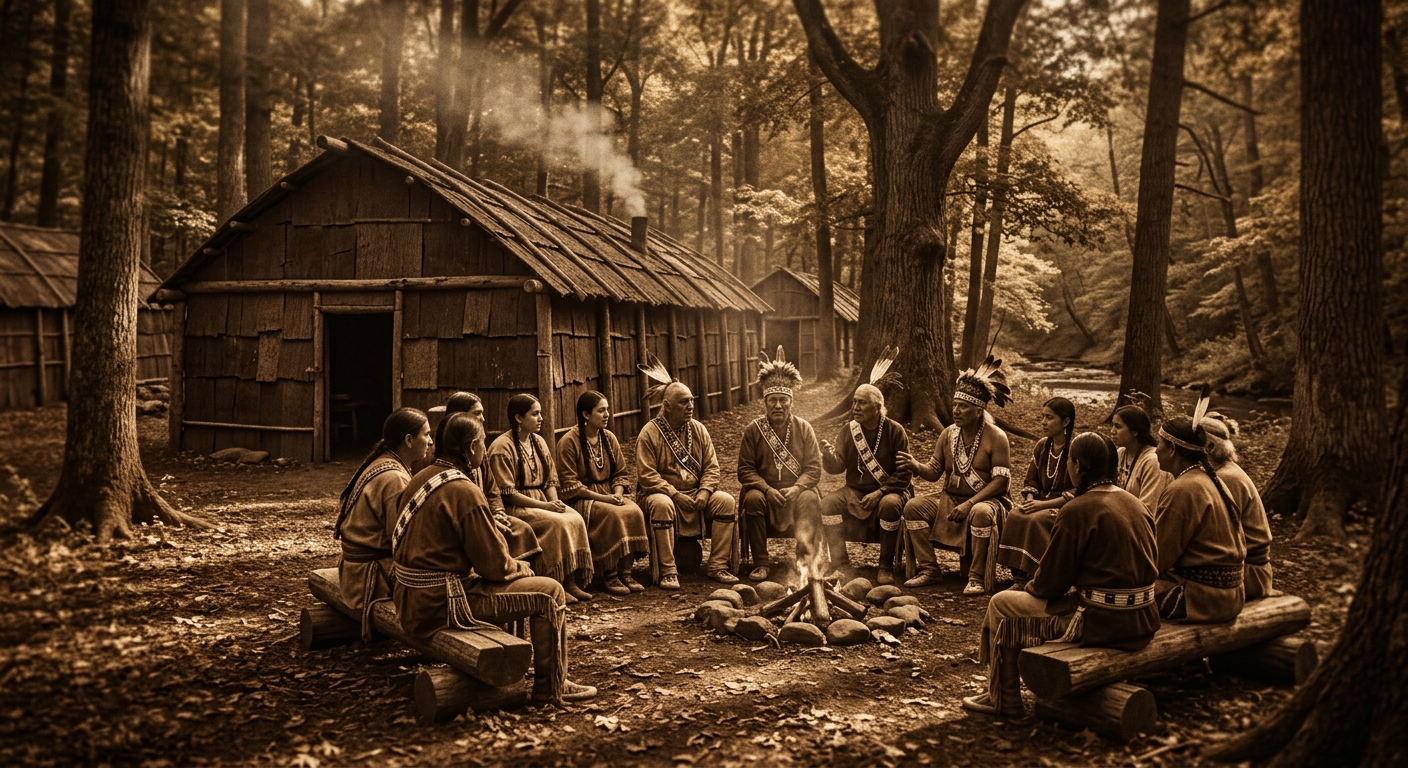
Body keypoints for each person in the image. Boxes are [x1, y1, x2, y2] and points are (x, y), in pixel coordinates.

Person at [391, 413, 596, 705]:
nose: (485, 449)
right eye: (483, 443)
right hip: (441, 604)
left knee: (518, 579)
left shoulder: (421, 477)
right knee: (550, 592)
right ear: (471, 447)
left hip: (409, 598)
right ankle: (551, 686)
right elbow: (495, 567)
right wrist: (521, 567)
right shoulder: (465, 491)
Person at [962, 432, 1160, 717]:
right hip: (1144, 618)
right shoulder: (1135, 503)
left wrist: (1030, 586)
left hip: (1102, 622)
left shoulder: (1077, 509)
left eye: (1069, 461)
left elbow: (1050, 585)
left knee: (1001, 604)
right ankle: (1004, 695)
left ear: (1078, 466)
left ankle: (1004, 698)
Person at [900, 356, 1013, 594]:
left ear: (979, 411)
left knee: (980, 512)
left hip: (987, 503)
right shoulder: (948, 434)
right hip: (949, 501)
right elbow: (933, 472)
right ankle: (929, 569)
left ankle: (976, 577)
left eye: (963, 406)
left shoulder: (996, 437)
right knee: (913, 507)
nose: (956, 411)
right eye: (954, 405)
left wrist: (970, 504)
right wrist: (916, 466)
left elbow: (1001, 483)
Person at [636, 352, 740, 588]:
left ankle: (718, 566)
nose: (690, 406)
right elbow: (647, 476)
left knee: (725, 501)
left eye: (691, 400)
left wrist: (705, 491)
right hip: (662, 496)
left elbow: (712, 466)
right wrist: (674, 493)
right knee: (662, 504)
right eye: (684, 402)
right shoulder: (649, 433)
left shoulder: (699, 429)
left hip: (695, 495)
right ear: (667, 406)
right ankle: (668, 571)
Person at [334, 408, 432, 639]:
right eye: (427, 434)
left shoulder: (383, 462)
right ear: (408, 440)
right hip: (369, 578)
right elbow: (401, 539)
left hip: (354, 571)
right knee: (444, 586)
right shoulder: (395, 478)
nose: (430, 441)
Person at [487, 394, 595, 603]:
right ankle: (555, 580)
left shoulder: (539, 442)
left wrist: (555, 503)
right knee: (557, 524)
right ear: (519, 418)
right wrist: (546, 506)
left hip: (542, 500)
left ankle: (571, 580)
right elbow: (508, 493)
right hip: (517, 506)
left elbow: (550, 480)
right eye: (535, 414)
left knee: (574, 517)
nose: (541, 418)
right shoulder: (502, 447)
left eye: (540, 413)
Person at [817, 349, 913, 580]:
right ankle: (840, 563)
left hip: (891, 491)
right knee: (828, 503)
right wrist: (828, 457)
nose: (855, 408)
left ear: (877, 408)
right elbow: (837, 468)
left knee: (890, 505)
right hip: (854, 492)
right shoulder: (848, 430)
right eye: (854, 402)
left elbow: (904, 474)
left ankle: (885, 566)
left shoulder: (895, 431)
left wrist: (880, 492)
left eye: (862, 403)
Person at [1153, 401, 1246, 623]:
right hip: (1230, 597)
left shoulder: (1183, 489)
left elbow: (1157, 559)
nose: (1155, 449)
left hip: (1200, 600)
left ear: (1172, 449)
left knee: (1117, 595)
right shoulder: (1209, 480)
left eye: (1159, 443)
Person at [736, 348, 823, 581]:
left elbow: (814, 468)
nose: (778, 405)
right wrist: (766, 489)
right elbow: (745, 470)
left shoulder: (804, 429)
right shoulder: (753, 430)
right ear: (765, 403)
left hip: (796, 492)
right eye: (772, 400)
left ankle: (804, 562)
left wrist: (797, 488)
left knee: (810, 497)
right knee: (752, 498)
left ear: (791, 402)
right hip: (765, 494)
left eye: (783, 400)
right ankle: (761, 563)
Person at [556, 391, 650, 596]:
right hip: (582, 498)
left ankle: (626, 571)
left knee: (634, 511)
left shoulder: (609, 438)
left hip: (610, 494)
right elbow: (570, 485)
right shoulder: (568, 442)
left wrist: (618, 493)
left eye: (607, 409)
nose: (607, 414)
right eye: (601, 410)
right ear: (586, 415)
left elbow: (621, 473)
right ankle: (610, 573)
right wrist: (605, 498)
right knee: (612, 514)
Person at [997, 397, 1077, 588]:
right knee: (1015, 515)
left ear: (1065, 422)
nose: (1043, 422)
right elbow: (1031, 479)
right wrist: (1030, 499)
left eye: (1049, 418)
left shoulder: (1075, 449)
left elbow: (1077, 490)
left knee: (1036, 520)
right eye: (1042, 417)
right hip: (1039, 501)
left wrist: (1042, 505)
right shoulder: (1042, 446)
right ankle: (1019, 575)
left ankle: (1038, 575)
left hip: (1065, 507)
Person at [1202, 412, 1274, 599]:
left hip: (1250, 575)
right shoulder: (1221, 472)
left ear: (1209, 447)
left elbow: (1219, 536)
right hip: (1240, 570)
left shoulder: (1226, 478)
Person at [1112, 404, 1168, 514]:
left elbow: (1148, 509)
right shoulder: (1120, 453)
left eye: (1118, 426)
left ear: (1135, 432)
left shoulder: (1152, 461)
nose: (1112, 431)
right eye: (1113, 425)